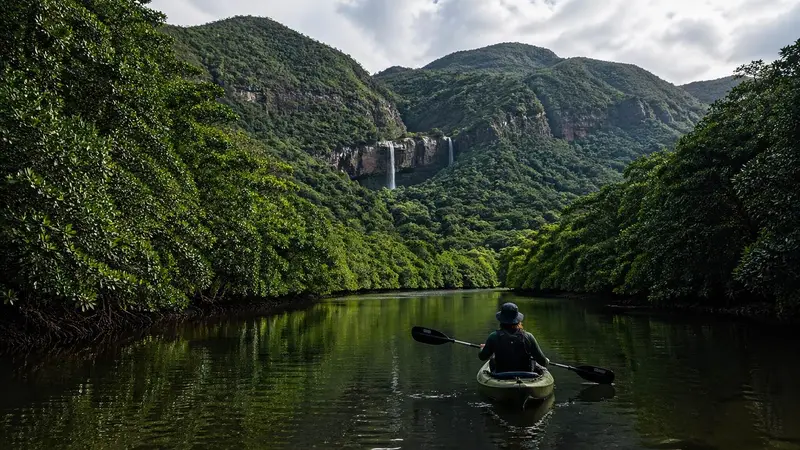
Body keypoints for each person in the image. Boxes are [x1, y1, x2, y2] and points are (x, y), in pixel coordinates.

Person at [478, 302, 549, 373]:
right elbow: (543, 362)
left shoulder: (493, 336)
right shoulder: (528, 337)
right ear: (518, 321)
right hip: (527, 375)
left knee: (493, 360)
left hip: (500, 375)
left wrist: (482, 348)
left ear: (501, 320)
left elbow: (482, 357)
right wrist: (546, 361)